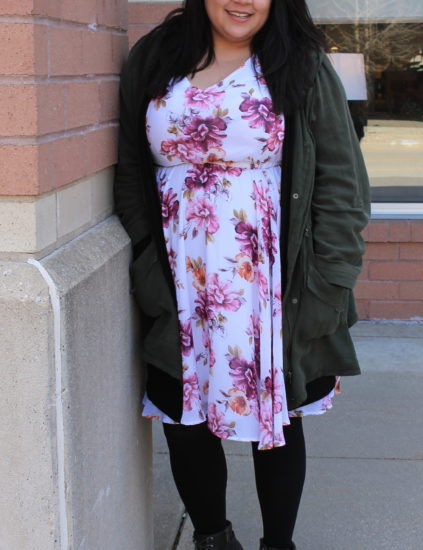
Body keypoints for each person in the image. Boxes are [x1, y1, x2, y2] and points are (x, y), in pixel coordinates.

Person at [113, 1, 371, 549]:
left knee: (278, 418)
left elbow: (342, 186)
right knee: (186, 415)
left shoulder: (299, 63)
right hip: (178, 274)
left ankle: (279, 544)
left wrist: (328, 284)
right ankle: (212, 538)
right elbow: (132, 172)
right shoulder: (156, 57)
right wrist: (143, 260)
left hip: (272, 277)